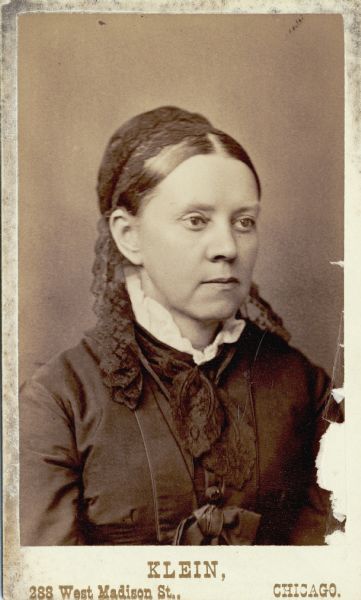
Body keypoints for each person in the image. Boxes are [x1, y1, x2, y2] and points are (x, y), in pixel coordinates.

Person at [20, 106, 341, 546]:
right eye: (196, 221)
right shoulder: (59, 400)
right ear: (128, 236)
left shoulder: (308, 391)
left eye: (244, 222)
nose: (227, 247)